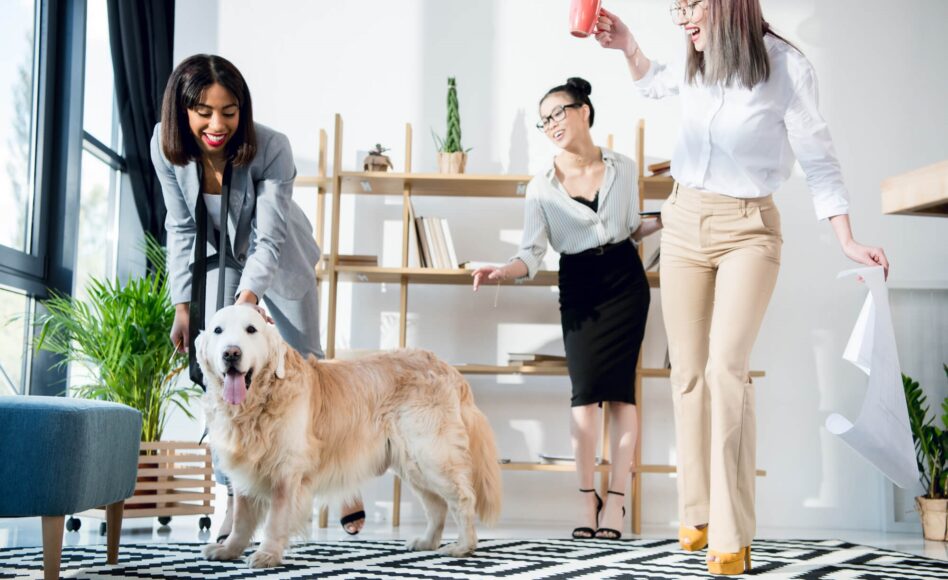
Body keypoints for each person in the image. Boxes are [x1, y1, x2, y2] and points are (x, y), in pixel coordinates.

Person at [594, 2, 889, 574]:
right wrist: (629, 46)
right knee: (687, 371)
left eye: (690, 6)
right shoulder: (696, 58)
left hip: (749, 230)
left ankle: (732, 530)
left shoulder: (786, 67)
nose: (682, 19)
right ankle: (697, 508)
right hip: (681, 223)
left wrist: (848, 240)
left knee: (727, 369)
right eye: (676, 8)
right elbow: (655, 84)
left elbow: (821, 164)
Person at [151, 53, 367, 539]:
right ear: (182, 110)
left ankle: (337, 473)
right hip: (223, 262)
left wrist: (248, 303)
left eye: (229, 112)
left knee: (308, 368)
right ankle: (236, 504)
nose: (217, 124)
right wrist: (183, 305)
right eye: (203, 111)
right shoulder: (165, 148)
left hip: (282, 261)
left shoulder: (271, 147)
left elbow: (268, 238)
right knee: (227, 386)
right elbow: (181, 225)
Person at [471, 77, 662, 541]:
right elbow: (532, 254)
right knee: (584, 396)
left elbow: (630, 227)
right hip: (579, 285)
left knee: (621, 394)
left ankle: (616, 500)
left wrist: (672, 217)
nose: (552, 123)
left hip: (625, 282)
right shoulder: (540, 189)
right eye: (544, 120)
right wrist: (503, 269)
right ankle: (584, 497)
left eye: (559, 112)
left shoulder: (624, 165)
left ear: (584, 111)